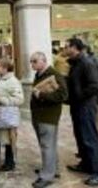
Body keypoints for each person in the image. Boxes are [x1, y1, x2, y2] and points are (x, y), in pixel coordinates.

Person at [65, 38, 98, 186]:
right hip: (77, 106)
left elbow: (95, 86)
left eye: (67, 46)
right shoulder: (75, 63)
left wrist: (79, 96)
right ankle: (86, 164)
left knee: (90, 139)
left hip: (85, 107)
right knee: (81, 138)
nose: (64, 48)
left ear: (75, 48)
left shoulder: (86, 63)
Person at [30, 52, 68, 188]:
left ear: (43, 61)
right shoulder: (40, 74)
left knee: (47, 146)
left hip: (48, 116)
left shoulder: (54, 74)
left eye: (34, 61)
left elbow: (63, 95)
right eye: (31, 61)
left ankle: (47, 176)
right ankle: (53, 169)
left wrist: (41, 94)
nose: (32, 64)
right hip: (39, 115)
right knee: (47, 145)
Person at [0, 59, 24, 172]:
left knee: (9, 140)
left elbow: (20, 99)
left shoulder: (13, 81)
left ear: (6, 68)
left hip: (7, 116)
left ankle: (9, 163)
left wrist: (3, 100)